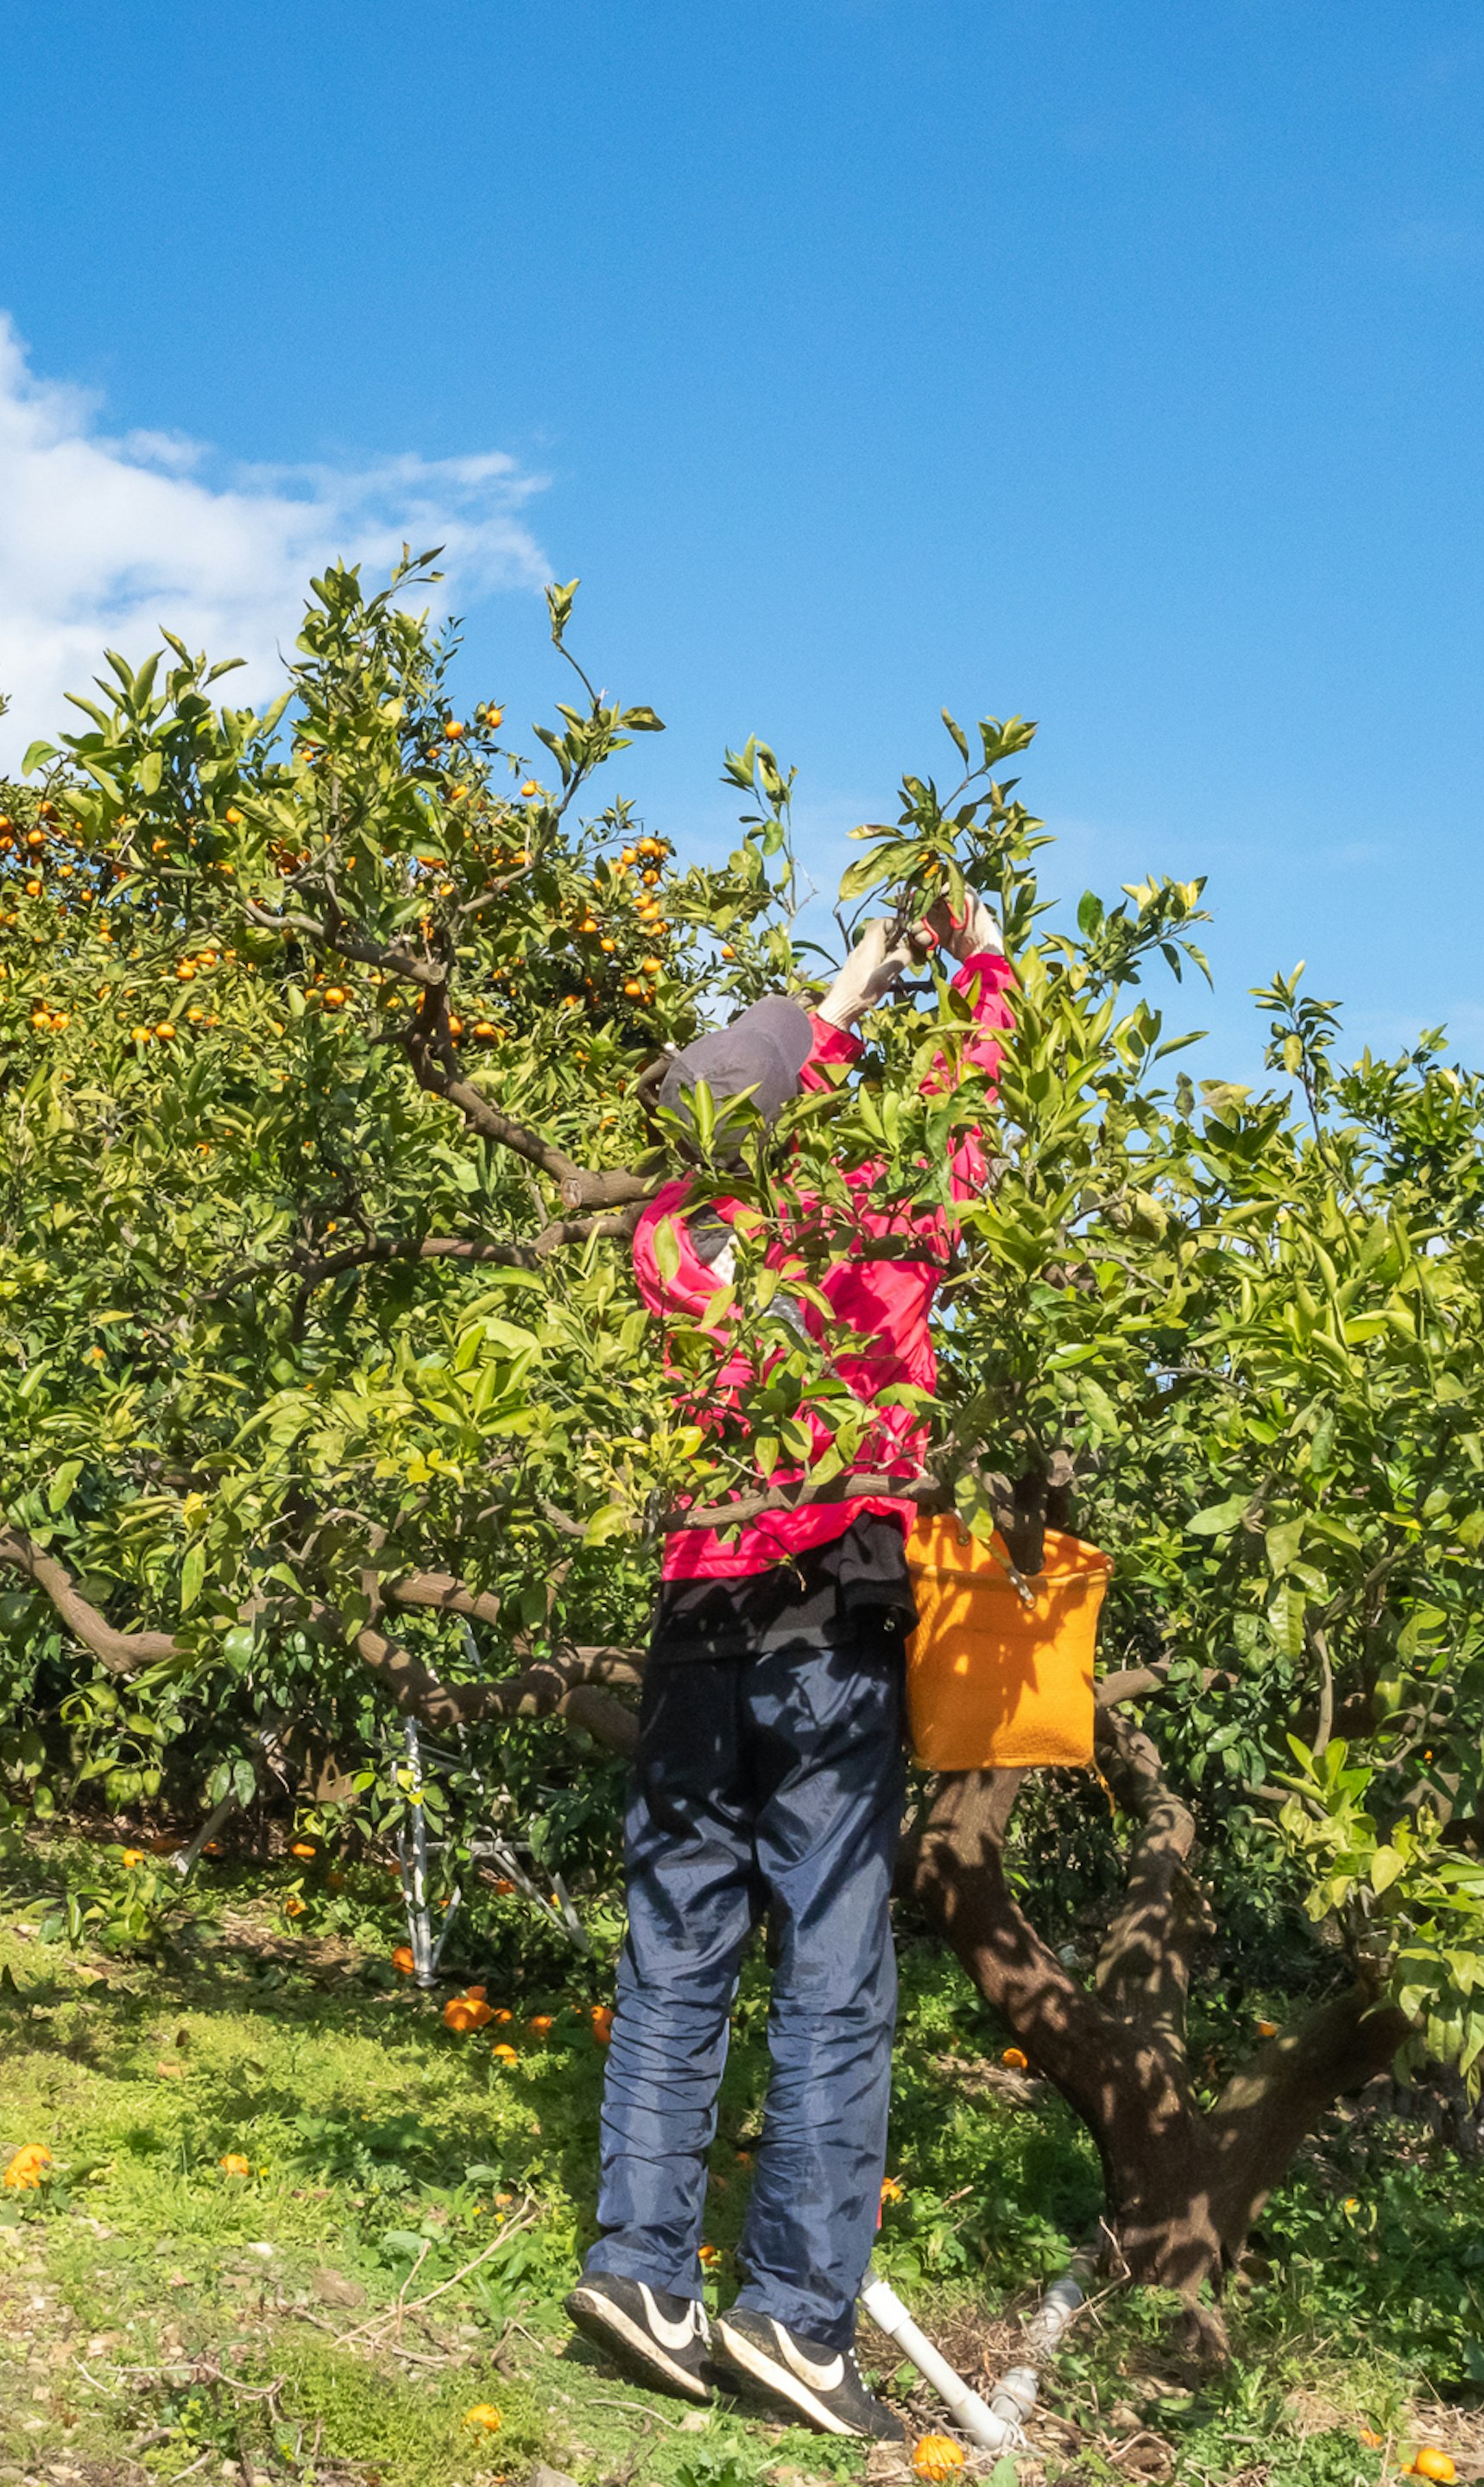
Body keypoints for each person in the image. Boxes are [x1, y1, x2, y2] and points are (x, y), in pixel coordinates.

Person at [564, 897, 1012, 2439]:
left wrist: (843, 987)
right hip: (831, 1597)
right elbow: (970, 1096)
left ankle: (640, 2267)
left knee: (678, 1935)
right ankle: (794, 2320)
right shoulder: (879, 1217)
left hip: (697, 1605)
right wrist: (978, 960)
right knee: (831, 1961)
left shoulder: (673, 1234)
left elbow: (766, 1082)